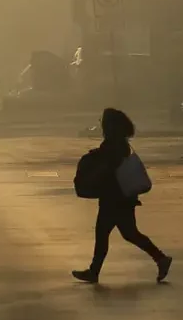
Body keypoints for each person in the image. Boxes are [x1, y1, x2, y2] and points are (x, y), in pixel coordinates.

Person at [72, 108, 172, 284]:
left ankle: (94, 272)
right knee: (128, 233)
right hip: (120, 197)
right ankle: (160, 258)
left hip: (115, 197)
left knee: (106, 234)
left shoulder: (115, 144)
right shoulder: (119, 143)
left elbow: (110, 165)